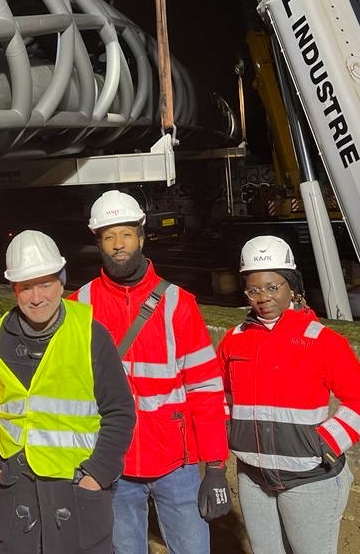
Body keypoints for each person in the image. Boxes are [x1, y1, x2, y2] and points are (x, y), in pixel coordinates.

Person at [68, 190, 232, 554]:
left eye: (125, 234)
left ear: (141, 237)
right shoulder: (79, 305)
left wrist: (216, 466)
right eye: (109, 237)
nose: (118, 244)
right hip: (114, 464)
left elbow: (205, 389)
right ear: (99, 243)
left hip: (177, 465)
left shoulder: (179, 304)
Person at [0, 230, 135, 554]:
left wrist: (96, 476)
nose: (36, 297)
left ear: (62, 281)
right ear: (13, 288)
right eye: (26, 286)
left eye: (45, 283)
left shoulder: (91, 335)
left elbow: (119, 411)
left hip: (76, 493)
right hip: (14, 493)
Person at [217, 235, 360, 554]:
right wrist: (228, 431)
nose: (263, 297)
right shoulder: (234, 340)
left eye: (273, 286)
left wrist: (326, 442)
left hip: (309, 477)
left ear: (291, 285)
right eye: (253, 289)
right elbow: (221, 395)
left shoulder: (323, 341)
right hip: (253, 474)